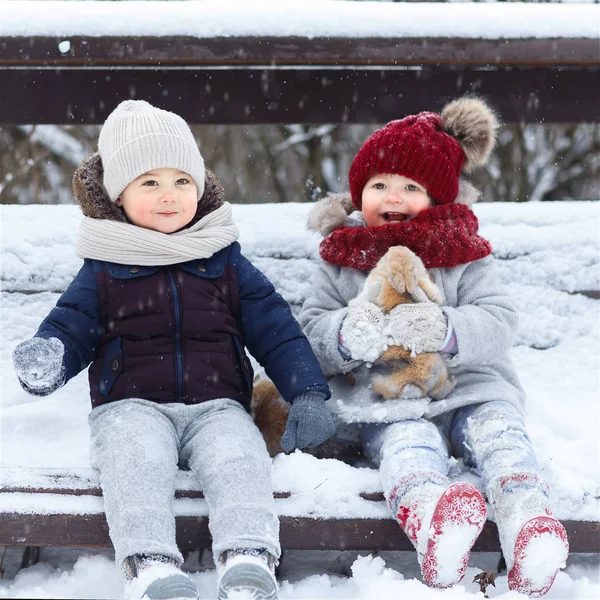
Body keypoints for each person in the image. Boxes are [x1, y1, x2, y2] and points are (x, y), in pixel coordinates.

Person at [12, 100, 335, 600]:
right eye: (150, 183)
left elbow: (275, 326)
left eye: (182, 181)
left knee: (241, 458)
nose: (169, 195)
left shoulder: (223, 258)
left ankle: (248, 558)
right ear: (119, 196)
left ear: (201, 187)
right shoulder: (104, 265)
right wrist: (49, 356)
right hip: (130, 406)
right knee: (134, 462)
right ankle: (151, 566)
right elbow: (71, 327)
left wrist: (308, 389)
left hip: (219, 405)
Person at [298, 96, 569, 597]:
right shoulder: (339, 259)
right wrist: (346, 334)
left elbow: (500, 319)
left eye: (410, 186)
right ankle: (432, 519)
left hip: (470, 388)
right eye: (378, 185)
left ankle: (526, 517)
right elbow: (309, 328)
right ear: (359, 196)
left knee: (500, 435)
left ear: (439, 197)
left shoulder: (464, 254)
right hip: (387, 399)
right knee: (405, 446)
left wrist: (445, 328)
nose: (392, 196)